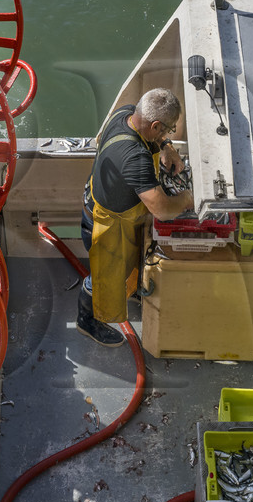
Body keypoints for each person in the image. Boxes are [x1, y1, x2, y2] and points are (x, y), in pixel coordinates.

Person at [78, 88, 195, 346]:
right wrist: (186, 199)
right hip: (103, 226)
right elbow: (163, 209)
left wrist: (166, 147)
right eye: (167, 130)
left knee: (121, 271)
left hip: (102, 203)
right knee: (99, 280)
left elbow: (151, 137)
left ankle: (124, 290)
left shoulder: (126, 113)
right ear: (154, 124)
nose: (167, 135)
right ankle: (86, 321)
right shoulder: (135, 158)